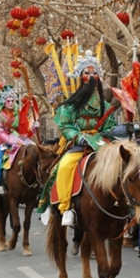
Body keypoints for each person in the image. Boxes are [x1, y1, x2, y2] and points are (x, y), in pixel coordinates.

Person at [40, 50, 116, 230]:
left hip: (100, 141)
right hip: (79, 142)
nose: (91, 76)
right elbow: (66, 125)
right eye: (87, 73)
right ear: (80, 77)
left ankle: (123, 203)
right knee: (66, 165)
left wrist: (110, 132)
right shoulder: (72, 104)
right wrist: (79, 136)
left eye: (94, 73)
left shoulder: (104, 104)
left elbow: (108, 125)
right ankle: (66, 207)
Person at [0, 85, 34, 195]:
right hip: (4, 141)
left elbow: (24, 128)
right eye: (8, 101)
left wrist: (33, 126)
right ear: (4, 102)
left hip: (18, 137)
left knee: (35, 149)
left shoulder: (18, 113)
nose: (11, 103)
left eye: (13, 100)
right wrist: (11, 141)